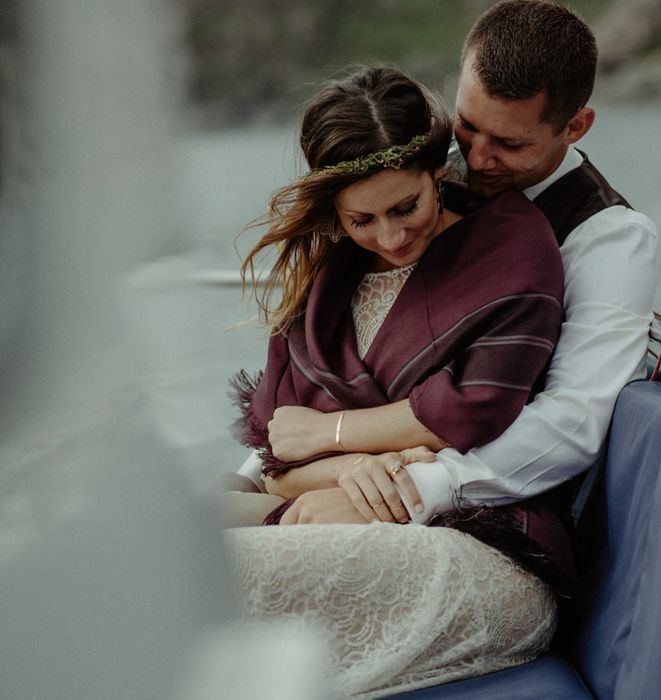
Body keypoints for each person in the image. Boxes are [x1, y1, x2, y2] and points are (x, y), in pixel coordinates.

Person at [224, 66, 568, 698]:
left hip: (476, 545)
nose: (390, 236)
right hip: (332, 517)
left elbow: (473, 414)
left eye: (406, 207)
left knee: (202, 577)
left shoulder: (513, 250)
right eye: (362, 220)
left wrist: (332, 439)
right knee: (152, 541)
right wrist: (358, 463)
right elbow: (279, 456)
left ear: (439, 171)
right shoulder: (328, 281)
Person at [255, 0, 658, 528]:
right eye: (468, 127)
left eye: (510, 143)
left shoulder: (610, 236)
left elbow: (570, 421)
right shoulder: (411, 179)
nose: (478, 159)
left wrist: (411, 488)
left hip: (481, 505)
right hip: (350, 475)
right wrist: (278, 466)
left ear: (576, 125)